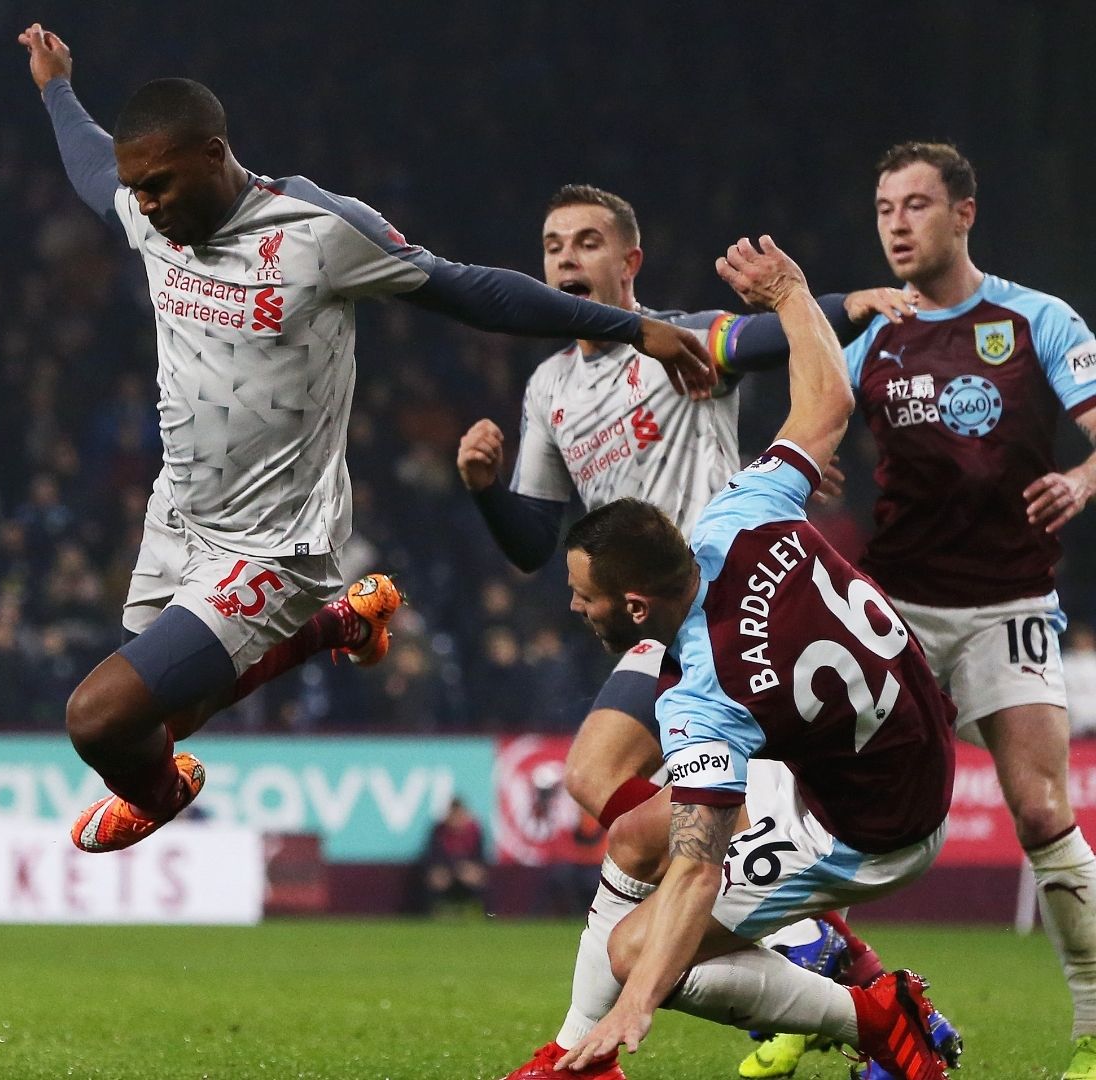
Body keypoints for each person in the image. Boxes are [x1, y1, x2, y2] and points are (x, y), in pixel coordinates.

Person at [18, 23, 720, 854]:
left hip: (274, 545)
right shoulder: (148, 216)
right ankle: (338, 626)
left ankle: (167, 788)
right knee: (162, 713)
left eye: (161, 185)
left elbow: (472, 292)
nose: (146, 205)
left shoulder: (317, 231)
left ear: (214, 155)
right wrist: (55, 87)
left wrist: (629, 327)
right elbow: (94, 163)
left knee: (101, 720)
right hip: (179, 518)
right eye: (140, 191)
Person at [460, 184, 912, 1078]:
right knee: (602, 787)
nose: (566, 260)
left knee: (615, 796)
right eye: (553, 246)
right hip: (647, 625)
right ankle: (809, 942)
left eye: (588, 243)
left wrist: (837, 304)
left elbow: (760, 340)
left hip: (723, 611)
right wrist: (484, 489)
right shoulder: (549, 384)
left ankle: (762, 942)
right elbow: (532, 546)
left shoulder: (680, 339)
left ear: (629, 262)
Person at [843, 142, 1096, 1079]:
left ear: (965, 214)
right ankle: (823, 996)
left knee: (1038, 813)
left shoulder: (1035, 320)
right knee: (830, 810)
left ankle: (1095, 1030)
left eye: (915, 205)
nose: (897, 224)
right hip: (895, 606)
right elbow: (813, 422)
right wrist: (812, 458)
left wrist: (1081, 477)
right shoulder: (873, 333)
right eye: (883, 209)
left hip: (1008, 601)